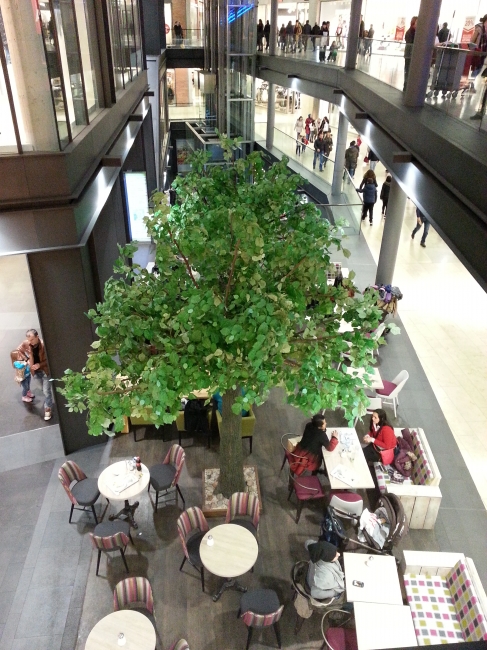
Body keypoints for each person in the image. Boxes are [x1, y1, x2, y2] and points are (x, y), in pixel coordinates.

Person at [18, 329, 54, 421]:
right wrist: (26, 359)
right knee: (42, 388)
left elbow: (50, 359)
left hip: (45, 371)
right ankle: (48, 399)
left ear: (37, 337)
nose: (31, 342)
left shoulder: (44, 345)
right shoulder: (26, 343)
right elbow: (19, 350)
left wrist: (40, 365)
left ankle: (48, 408)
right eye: (29, 340)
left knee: (46, 391)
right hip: (35, 372)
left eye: (32, 339)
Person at [403, 16, 417, 91]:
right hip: (409, 54)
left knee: (409, 70)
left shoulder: (415, 32)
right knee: (408, 70)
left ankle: (409, 85)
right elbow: (409, 43)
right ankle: (406, 85)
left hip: (411, 54)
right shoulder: (410, 32)